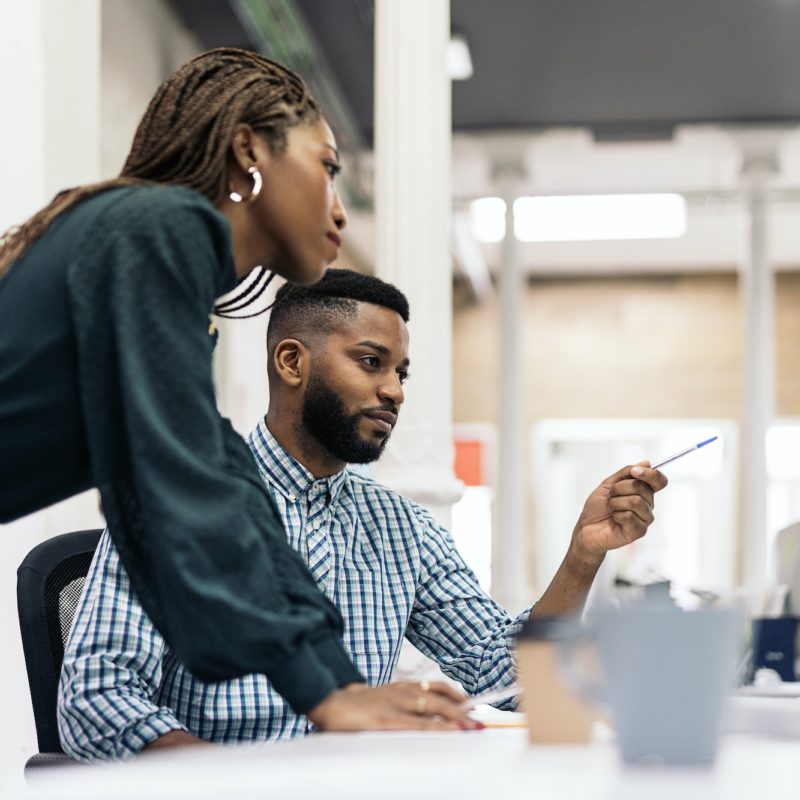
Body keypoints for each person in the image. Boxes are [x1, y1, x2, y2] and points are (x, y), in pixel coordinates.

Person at [0, 49, 473, 731]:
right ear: (249, 149)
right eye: (328, 170)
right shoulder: (162, 227)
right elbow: (185, 482)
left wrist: (332, 683)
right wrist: (325, 692)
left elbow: (210, 474)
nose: (339, 212)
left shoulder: (166, 267)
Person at [57, 269, 667, 761]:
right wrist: (234, 784)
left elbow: (501, 677)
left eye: (400, 372)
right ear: (291, 363)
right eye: (371, 362)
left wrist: (583, 555)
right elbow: (97, 698)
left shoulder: (402, 529)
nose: (396, 391)